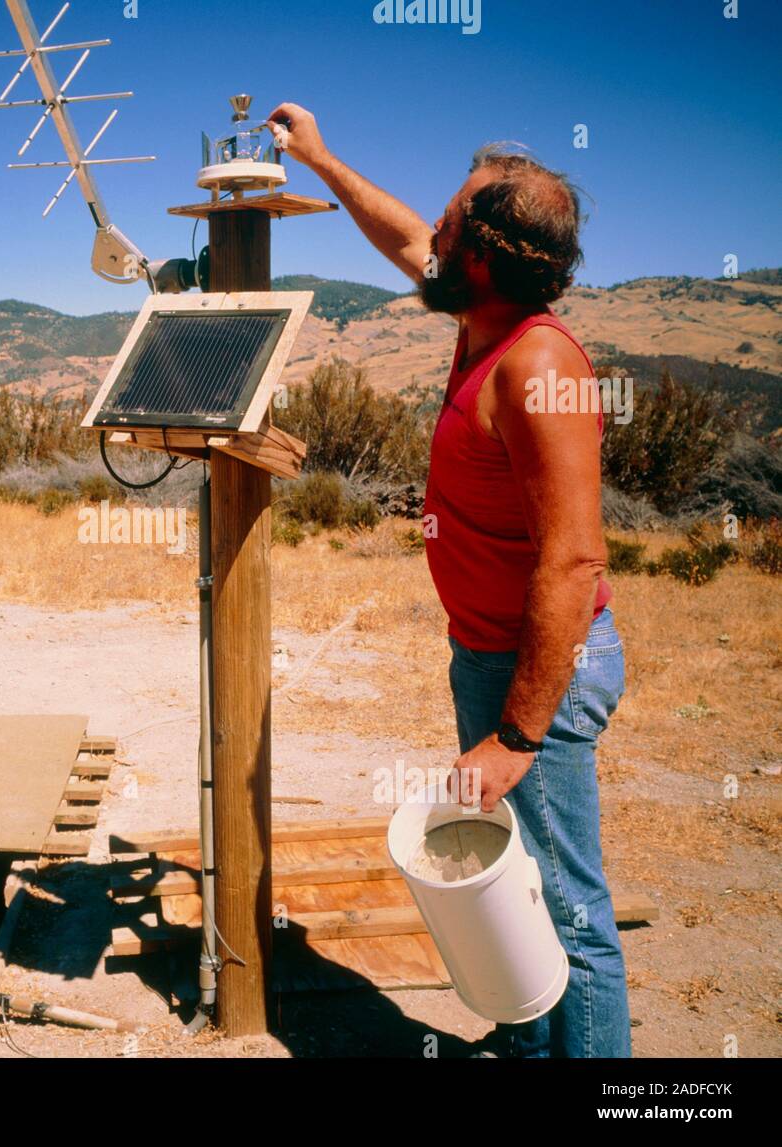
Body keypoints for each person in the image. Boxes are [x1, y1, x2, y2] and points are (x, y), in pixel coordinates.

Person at [268, 103, 630, 1058]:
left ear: (482, 255)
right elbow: (402, 236)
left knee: (571, 913)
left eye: (449, 222)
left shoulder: (538, 365)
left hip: (537, 673)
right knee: (517, 891)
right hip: (492, 658)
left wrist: (517, 733)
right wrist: (321, 158)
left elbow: (574, 558)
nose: (430, 233)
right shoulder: (481, 313)